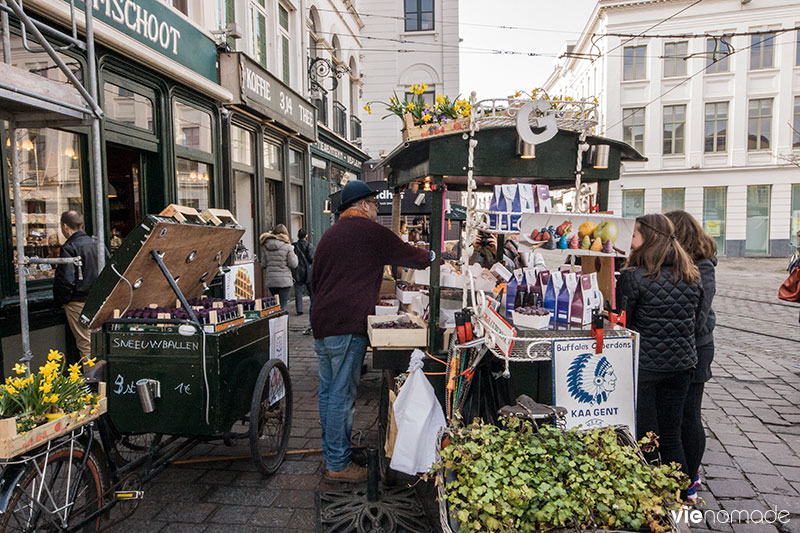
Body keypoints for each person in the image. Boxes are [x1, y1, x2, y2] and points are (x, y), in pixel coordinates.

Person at [311, 180, 430, 482]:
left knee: (329, 393)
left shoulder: (329, 234)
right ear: (364, 205)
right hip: (346, 324)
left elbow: (316, 281)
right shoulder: (371, 232)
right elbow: (411, 255)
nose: (377, 209)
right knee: (340, 396)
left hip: (323, 322)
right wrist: (435, 256)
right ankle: (337, 465)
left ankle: (335, 452)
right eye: (375, 204)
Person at [617, 213, 704, 496]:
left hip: (647, 367)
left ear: (649, 238)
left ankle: (653, 495)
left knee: (647, 434)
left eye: (634, 235)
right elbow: (697, 320)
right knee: (671, 433)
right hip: (682, 365)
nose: (630, 242)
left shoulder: (634, 277)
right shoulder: (691, 274)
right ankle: (681, 491)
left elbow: (624, 323)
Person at [666, 210, 717, 502]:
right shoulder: (673, 263)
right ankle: (679, 471)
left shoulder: (702, 265)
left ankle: (691, 476)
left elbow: (700, 311)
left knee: (689, 414)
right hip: (678, 345)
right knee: (677, 413)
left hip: (697, 346)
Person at [53, 211, 108, 362]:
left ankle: (93, 384)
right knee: (99, 343)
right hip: (98, 300)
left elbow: (67, 280)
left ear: (64, 227)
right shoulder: (97, 243)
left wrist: (62, 301)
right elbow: (110, 271)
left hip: (78, 302)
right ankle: (104, 380)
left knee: (86, 345)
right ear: (81, 225)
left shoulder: (70, 247)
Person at [260, 224, 298, 312]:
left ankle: (275, 323)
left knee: (275, 304)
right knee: (283, 304)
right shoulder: (288, 247)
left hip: (271, 280)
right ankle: (282, 324)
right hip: (284, 280)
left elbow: (263, 264)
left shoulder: (266, 246)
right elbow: (294, 264)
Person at [293, 228, 314, 320]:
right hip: (308, 270)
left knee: (298, 290)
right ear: (306, 236)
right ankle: (313, 306)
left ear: (298, 236)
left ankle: (299, 309)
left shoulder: (294, 246)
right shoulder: (309, 245)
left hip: (297, 270)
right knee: (311, 291)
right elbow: (311, 258)